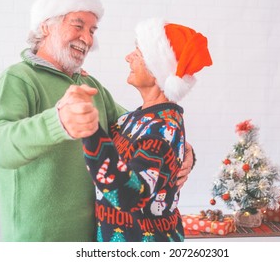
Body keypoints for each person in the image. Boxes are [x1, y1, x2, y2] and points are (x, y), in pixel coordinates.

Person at [0, 0, 194, 242]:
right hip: (40, 239)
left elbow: (142, 129)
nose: (88, 38)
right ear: (46, 25)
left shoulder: (90, 86)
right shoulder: (20, 78)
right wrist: (58, 122)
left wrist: (184, 152)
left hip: (95, 238)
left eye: (92, 30)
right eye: (78, 25)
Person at [82, 18, 212, 242]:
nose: (128, 57)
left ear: (156, 71)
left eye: (138, 52)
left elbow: (129, 196)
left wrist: (89, 131)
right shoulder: (134, 119)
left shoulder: (162, 129)